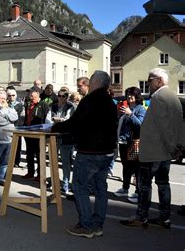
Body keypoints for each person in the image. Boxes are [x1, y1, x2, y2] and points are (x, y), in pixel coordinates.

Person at [52, 70, 117, 238]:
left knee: (80, 186)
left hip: (90, 151)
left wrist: (55, 128)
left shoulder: (90, 100)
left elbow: (75, 123)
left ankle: (86, 225)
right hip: (106, 153)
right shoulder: (110, 102)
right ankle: (97, 225)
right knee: (101, 188)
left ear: (95, 83)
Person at [120, 68, 183, 229]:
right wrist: (179, 146)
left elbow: (164, 127)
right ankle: (164, 218)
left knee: (144, 185)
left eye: (150, 80)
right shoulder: (173, 97)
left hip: (154, 151)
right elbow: (179, 125)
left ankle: (141, 217)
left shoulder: (159, 97)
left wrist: (172, 147)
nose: (148, 83)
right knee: (163, 184)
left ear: (159, 81)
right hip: (164, 152)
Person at [113, 87, 146, 203]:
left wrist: (130, 114)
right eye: (128, 95)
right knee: (126, 166)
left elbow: (141, 125)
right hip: (123, 141)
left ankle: (138, 192)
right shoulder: (126, 107)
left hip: (134, 142)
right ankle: (125, 188)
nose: (129, 97)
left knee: (136, 168)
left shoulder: (140, 109)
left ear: (137, 96)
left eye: (132, 95)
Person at [47, 89, 75, 194]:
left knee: (65, 163)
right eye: (59, 96)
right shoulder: (53, 106)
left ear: (67, 97)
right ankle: (54, 183)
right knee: (53, 162)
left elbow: (68, 120)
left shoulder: (71, 107)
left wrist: (57, 120)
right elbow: (48, 120)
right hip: (54, 136)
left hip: (66, 137)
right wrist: (59, 120)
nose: (61, 98)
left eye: (64, 96)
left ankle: (65, 185)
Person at [22, 91, 49, 181]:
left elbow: (46, 118)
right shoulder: (29, 105)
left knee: (39, 154)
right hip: (28, 132)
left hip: (38, 133)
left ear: (38, 96)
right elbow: (26, 116)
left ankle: (40, 175)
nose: (31, 98)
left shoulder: (43, 104)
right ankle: (30, 172)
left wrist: (44, 130)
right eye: (31, 96)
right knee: (29, 153)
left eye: (33, 96)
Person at [6, 88, 24, 167]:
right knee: (9, 144)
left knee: (17, 145)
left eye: (13, 95)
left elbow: (17, 115)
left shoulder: (19, 104)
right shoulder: (6, 104)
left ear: (16, 96)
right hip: (8, 126)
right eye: (9, 95)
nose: (11, 97)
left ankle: (17, 161)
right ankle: (9, 160)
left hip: (17, 126)